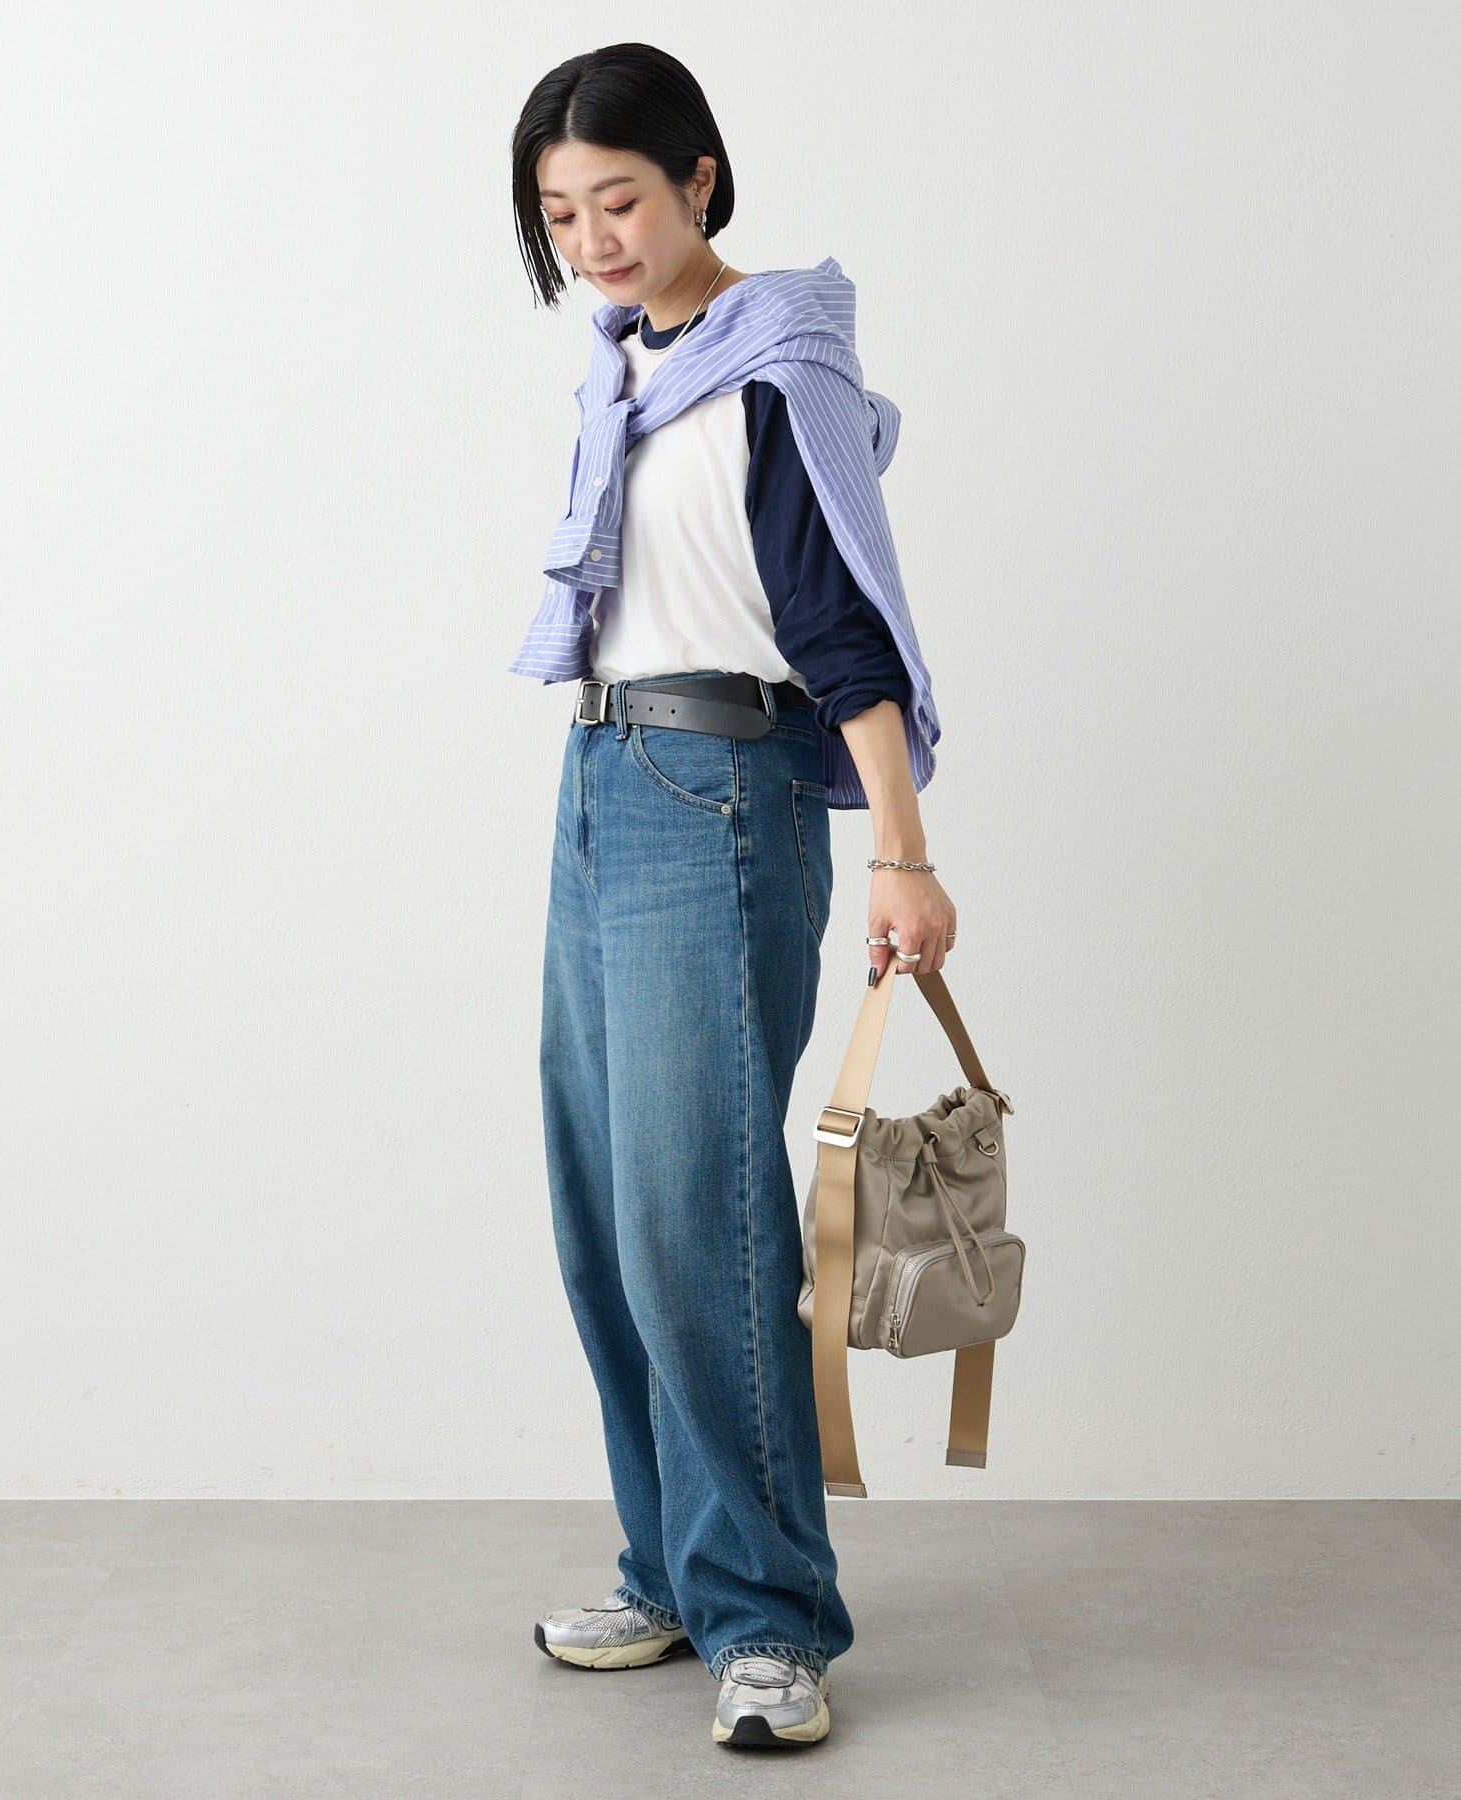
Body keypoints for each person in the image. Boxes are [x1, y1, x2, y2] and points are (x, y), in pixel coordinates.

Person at [507, 43, 956, 1751]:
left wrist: (903, 851)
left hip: (722, 795)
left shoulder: (776, 363)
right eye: (561, 215)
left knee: (704, 1214)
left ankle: (769, 1618)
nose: (594, 240)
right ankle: (675, 1568)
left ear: (700, 178)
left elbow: (842, 622)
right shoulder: (627, 369)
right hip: (604, 779)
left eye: (619, 199)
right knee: (608, 1210)